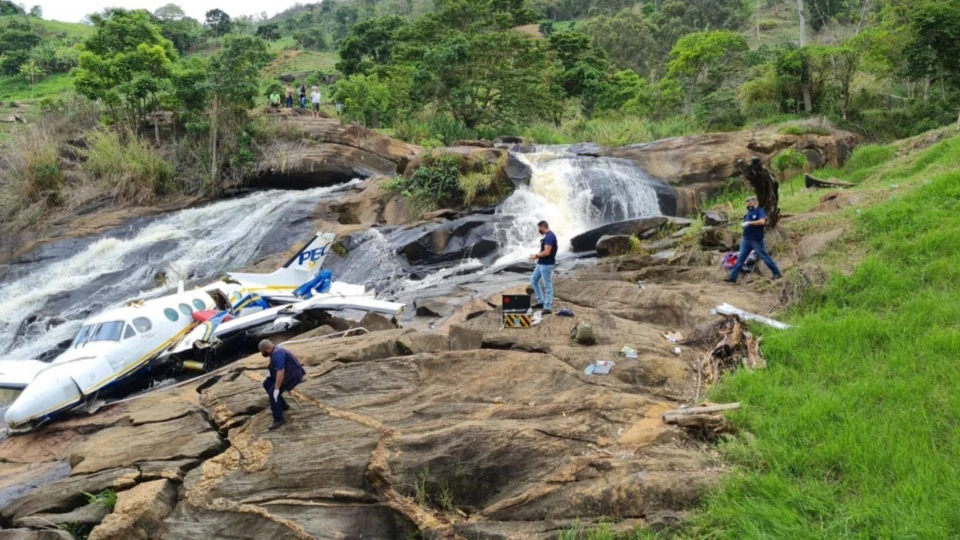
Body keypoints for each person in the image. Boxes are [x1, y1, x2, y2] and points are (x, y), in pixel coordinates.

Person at [724, 196, 782, 284]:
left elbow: (762, 222)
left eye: (750, 203)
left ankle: (776, 273)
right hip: (746, 240)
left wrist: (749, 223)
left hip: (756, 240)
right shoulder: (747, 214)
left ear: (754, 203)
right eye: (747, 203)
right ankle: (732, 277)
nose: (748, 205)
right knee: (740, 258)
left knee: (764, 256)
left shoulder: (759, 211)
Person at [259, 339, 306, 430]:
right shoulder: (274, 350)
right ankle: (283, 406)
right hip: (288, 373)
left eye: (263, 352)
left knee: (273, 392)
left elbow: (281, 372)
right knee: (266, 384)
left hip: (292, 376)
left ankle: (278, 419)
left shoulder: (277, 354)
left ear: (267, 348)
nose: (263, 354)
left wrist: (277, 388)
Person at [529, 220, 558, 314]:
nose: (539, 230)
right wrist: (536, 256)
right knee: (533, 280)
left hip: (546, 264)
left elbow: (547, 252)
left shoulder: (549, 236)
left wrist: (536, 256)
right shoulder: (548, 236)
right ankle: (540, 301)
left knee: (547, 285)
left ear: (542, 227)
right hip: (541, 263)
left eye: (539, 228)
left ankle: (547, 307)